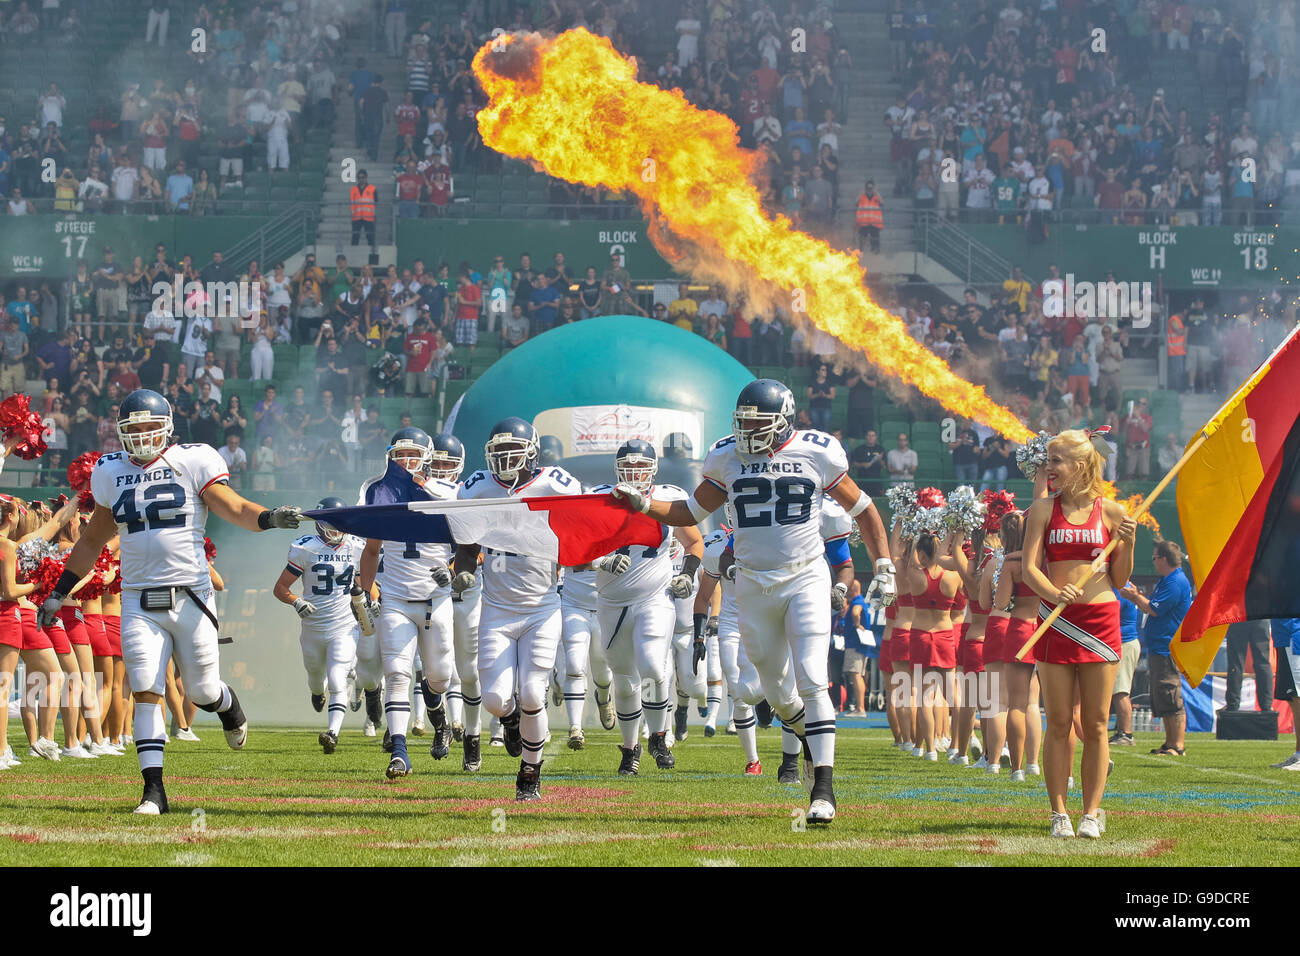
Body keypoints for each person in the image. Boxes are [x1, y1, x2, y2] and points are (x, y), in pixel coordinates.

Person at [613, 379, 895, 824]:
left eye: (756, 423)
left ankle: (823, 788)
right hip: (751, 582)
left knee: (812, 680)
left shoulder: (818, 451)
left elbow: (863, 508)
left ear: (783, 420)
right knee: (778, 696)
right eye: (742, 422)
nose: (747, 431)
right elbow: (689, 512)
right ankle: (809, 738)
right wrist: (645, 503)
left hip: (805, 577)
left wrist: (882, 564)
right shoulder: (726, 455)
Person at [39, 389, 303, 813]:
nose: (143, 436)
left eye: (150, 427)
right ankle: (153, 791)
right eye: (134, 429)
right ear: (121, 433)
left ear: (167, 429)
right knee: (145, 687)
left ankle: (227, 704)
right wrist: (58, 592)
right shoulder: (109, 471)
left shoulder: (193, 459)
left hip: (190, 594)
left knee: (200, 691)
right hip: (139, 598)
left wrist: (268, 517)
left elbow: (232, 506)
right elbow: (92, 538)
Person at [452, 418, 583, 800]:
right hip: (496, 608)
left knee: (531, 693)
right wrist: (462, 573)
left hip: (542, 607)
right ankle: (509, 722)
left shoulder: (555, 483)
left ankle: (530, 772)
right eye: (498, 452)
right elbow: (466, 544)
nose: (504, 460)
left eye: (512, 451)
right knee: (495, 699)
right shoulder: (478, 488)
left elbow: (582, 523)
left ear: (531, 452)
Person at [1022, 429, 1138, 839]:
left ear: (1082, 464)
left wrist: (1130, 543)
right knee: (1057, 721)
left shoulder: (1112, 512)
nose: (1049, 468)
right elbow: (1029, 569)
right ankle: (1059, 813)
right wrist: (1054, 592)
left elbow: (1120, 579)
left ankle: (1092, 812)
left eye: (1056, 460)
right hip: (1055, 619)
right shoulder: (1041, 510)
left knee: (1096, 724)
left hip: (1101, 622)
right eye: (1049, 460)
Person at [591, 441, 702, 774]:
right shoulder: (600, 497)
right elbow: (576, 548)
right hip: (611, 601)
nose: (633, 472)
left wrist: (687, 572)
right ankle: (630, 748)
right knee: (625, 680)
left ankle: (657, 735)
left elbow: (693, 541)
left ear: (652, 468)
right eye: (627, 465)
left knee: (654, 665)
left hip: (655, 597)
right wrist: (602, 560)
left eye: (639, 465)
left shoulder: (667, 496)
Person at [356, 428, 458, 779]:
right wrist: (364, 591)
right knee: (397, 674)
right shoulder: (380, 491)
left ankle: (437, 711)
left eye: (412, 454)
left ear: (428, 456)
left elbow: (469, 548)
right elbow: (371, 550)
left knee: (439, 678)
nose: (405, 461)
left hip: (436, 597)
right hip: (397, 597)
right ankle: (399, 752)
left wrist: (453, 570)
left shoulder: (447, 492)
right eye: (399, 455)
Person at [273, 500, 377, 754]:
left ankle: (332, 733)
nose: (335, 530)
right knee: (316, 678)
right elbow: (280, 589)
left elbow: (366, 579)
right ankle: (317, 693)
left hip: (344, 625)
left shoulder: (355, 547)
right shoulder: (305, 548)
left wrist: (373, 600)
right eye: (330, 525)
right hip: (313, 627)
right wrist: (297, 602)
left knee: (337, 678)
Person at [1123, 540, 1191, 757]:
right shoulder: (1169, 580)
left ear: (1164, 559)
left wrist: (1134, 596)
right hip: (1160, 645)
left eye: (1155, 558)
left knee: (1171, 693)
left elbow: (1154, 609)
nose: (1153, 562)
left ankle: (1177, 745)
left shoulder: (1175, 582)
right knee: (1163, 694)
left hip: (1167, 646)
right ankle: (1170, 742)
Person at [1109, 583, 1142, 746]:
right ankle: (1122, 732)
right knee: (1118, 690)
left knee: (1120, 690)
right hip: (1123, 643)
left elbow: (1110, 610)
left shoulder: (1122, 588)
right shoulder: (1124, 587)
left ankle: (1126, 734)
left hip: (1125, 643)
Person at [1222, 619, 1274, 715]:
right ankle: (1267, 706)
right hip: (1261, 616)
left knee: (1236, 664)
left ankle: (1232, 705)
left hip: (1239, 616)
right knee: (1263, 662)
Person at [1270, 618, 1300, 770]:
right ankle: (1298, 754)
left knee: (1298, 698)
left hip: (1294, 638)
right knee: (1293, 699)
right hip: (1284, 637)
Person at [350, 170, 377, 246]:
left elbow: (376, 202)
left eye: (362, 177)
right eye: (359, 178)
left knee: (370, 237)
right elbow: (352, 203)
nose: (361, 179)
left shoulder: (373, 189)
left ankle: (372, 253)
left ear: (366, 177)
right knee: (355, 237)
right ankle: (353, 252)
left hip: (369, 217)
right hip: (356, 217)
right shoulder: (353, 190)